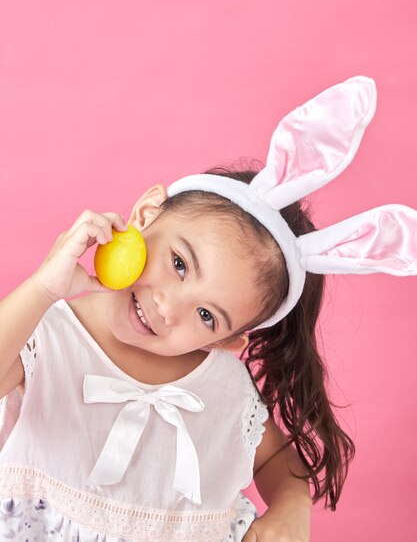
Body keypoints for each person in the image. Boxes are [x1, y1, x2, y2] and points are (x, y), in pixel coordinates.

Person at [0, 76, 416, 542]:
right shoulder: (47, 336)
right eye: (178, 263)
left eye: (206, 316)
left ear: (226, 341)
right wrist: (41, 289)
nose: (166, 306)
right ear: (145, 215)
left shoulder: (221, 389)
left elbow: (277, 458)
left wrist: (292, 504)